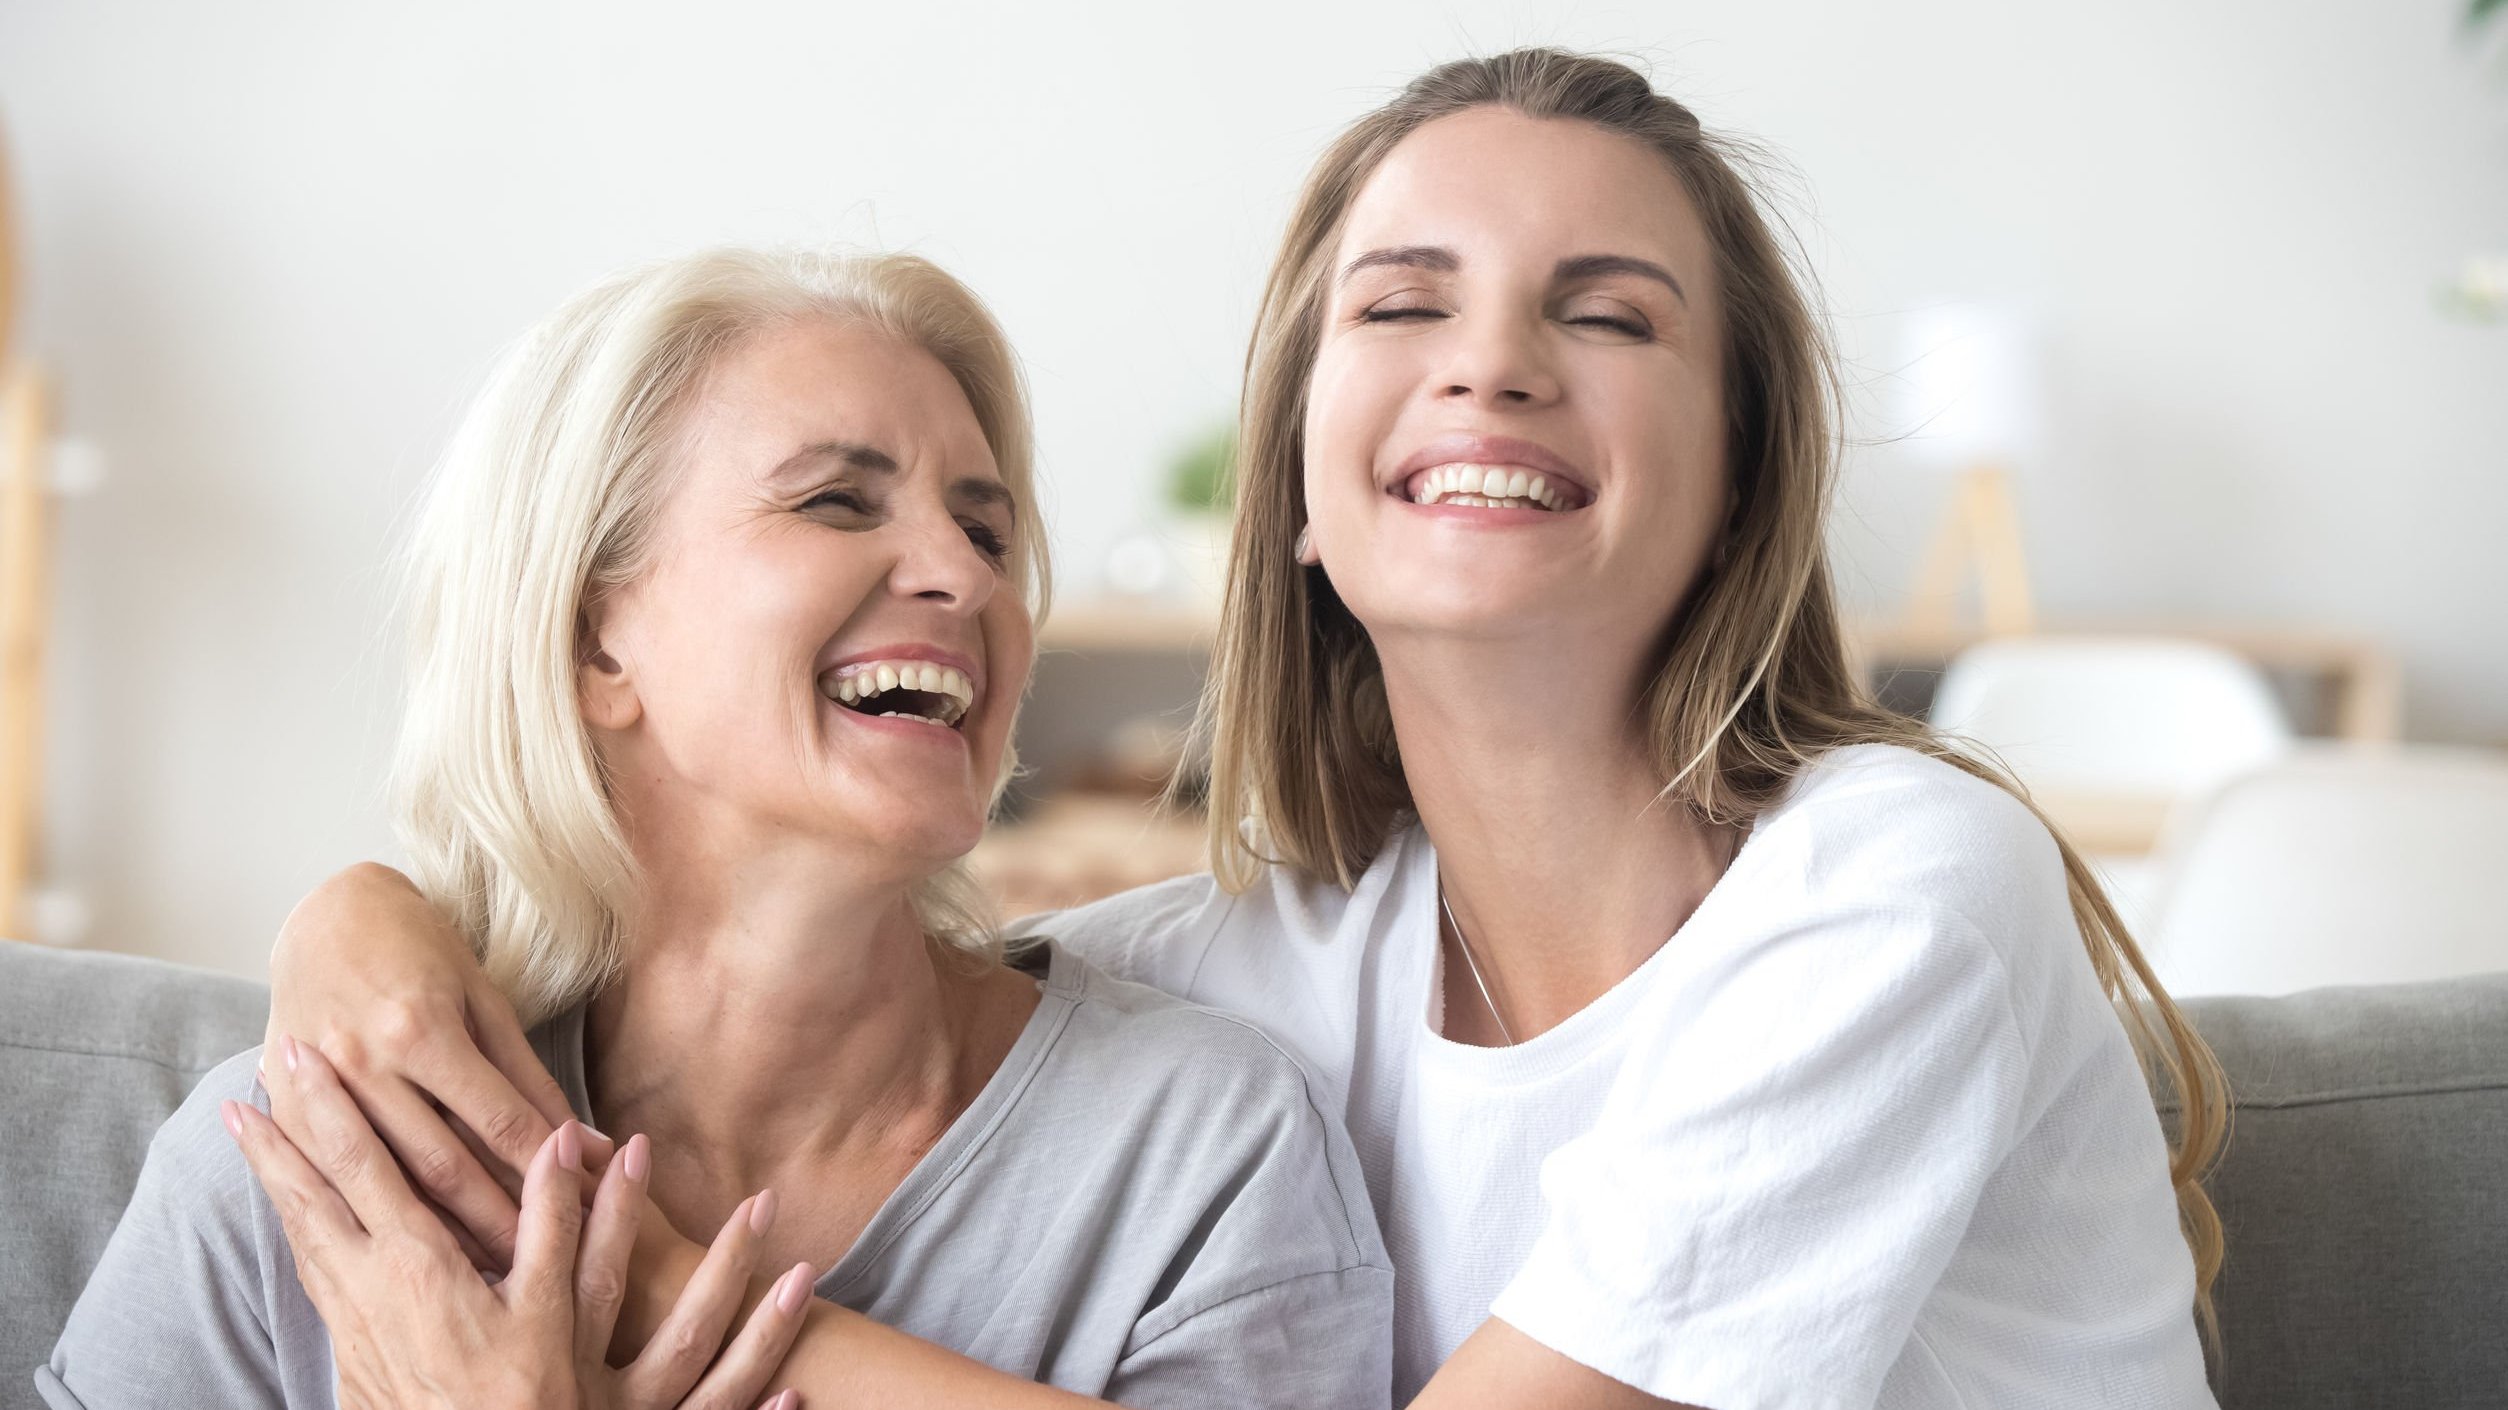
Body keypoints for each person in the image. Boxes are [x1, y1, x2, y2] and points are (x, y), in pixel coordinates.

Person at [231, 48, 2228, 1409]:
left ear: (1739, 471)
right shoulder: (1261, 971)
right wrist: (362, 923)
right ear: (1292, 465)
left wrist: (645, 1299)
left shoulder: (1894, 890)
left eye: (1609, 315)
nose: (1496, 365)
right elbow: (856, 978)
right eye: (1406, 303)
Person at [38, 248, 1393, 1410]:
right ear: (592, 640)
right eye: (835, 499)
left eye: (986, 527)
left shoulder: (1203, 1155)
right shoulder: (311, 1159)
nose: (963, 572)